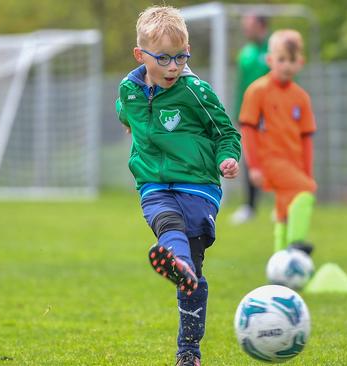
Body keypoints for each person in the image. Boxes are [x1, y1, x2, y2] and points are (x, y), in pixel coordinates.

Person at [115, 6, 241, 366]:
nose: (174, 66)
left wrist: (226, 158)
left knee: (194, 274)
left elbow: (226, 132)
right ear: (141, 56)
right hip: (153, 183)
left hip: (198, 186)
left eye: (181, 57)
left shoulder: (196, 91)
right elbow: (125, 112)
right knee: (166, 224)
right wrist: (132, 127)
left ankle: (189, 348)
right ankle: (177, 264)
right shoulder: (129, 90)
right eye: (165, 58)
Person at [238, 29, 316, 255]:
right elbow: (248, 129)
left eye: (291, 60)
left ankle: (280, 261)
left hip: (293, 163)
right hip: (269, 160)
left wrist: (307, 170)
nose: (286, 65)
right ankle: (297, 243)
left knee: (284, 210)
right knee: (307, 190)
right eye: (281, 59)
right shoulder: (257, 91)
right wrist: (254, 166)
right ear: (271, 60)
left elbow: (306, 138)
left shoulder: (301, 97)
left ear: (300, 62)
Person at [229, 14, 270, 225]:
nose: (246, 30)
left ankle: (282, 204)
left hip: (272, 115)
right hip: (249, 116)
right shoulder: (245, 54)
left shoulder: (274, 50)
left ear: (261, 26)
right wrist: (239, 113)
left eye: (250, 26)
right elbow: (241, 87)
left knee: (276, 157)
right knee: (251, 159)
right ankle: (250, 207)